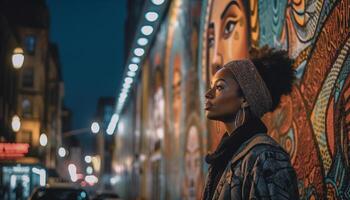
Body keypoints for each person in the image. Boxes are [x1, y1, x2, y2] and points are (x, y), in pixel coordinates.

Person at [202, 47, 299, 200]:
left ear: (245, 99)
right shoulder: (222, 158)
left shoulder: (267, 159)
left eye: (219, 87)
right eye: (211, 87)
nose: (208, 94)